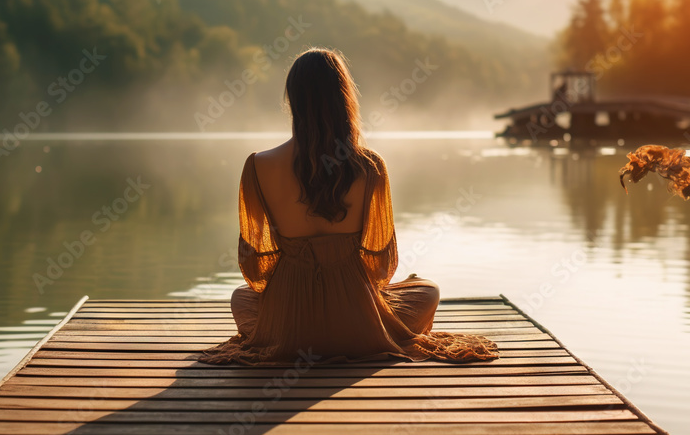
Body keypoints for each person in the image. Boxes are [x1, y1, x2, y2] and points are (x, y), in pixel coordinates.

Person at [199, 48, 498, 365]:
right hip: (358, 323)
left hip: (290, 328)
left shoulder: (258, 165)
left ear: (293, 100)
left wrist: (295, 282)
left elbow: (255, 268)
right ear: (344, 99)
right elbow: (382, 266)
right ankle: (358, 331)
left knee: (241, 298)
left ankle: (298, 330)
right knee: (428, 291)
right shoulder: (371, 166)